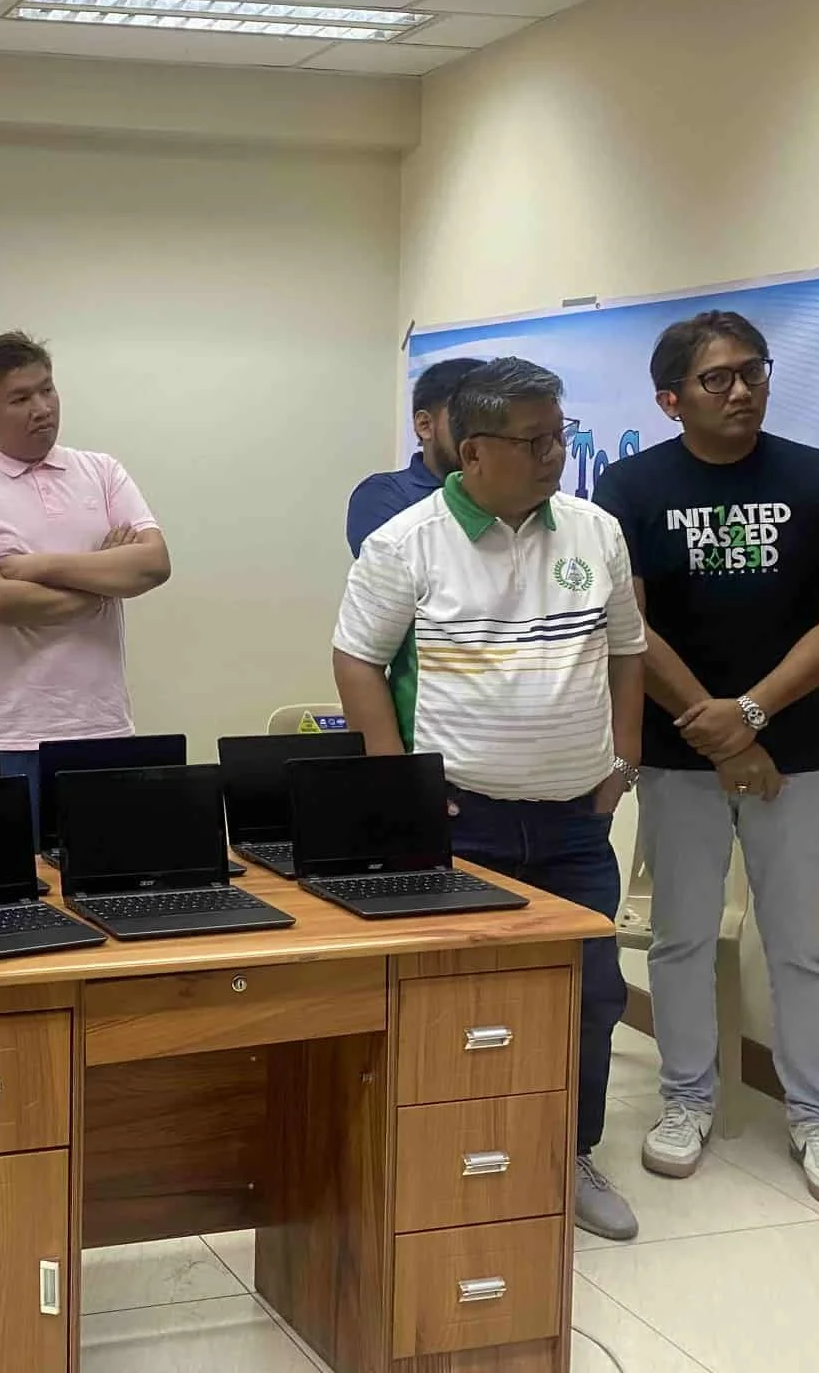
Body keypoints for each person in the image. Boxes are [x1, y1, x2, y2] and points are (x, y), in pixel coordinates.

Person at [332, 357, 647, 1241]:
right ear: (473, 451)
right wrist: (400, 786)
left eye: (561, 435)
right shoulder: (406, 542)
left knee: (589, 995)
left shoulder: (595, 533)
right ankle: (443, 1152)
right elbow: (356, 659)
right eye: (536, 440)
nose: (557, 452)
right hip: (459, 819)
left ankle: (569, 1153)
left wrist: (625, 762)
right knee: (452, 1001)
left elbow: (628, 649)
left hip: (576, 821)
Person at [593, 312, 819, 1210]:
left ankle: (818, 1117)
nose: (743, 390)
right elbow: (629, 626)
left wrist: (749, 717)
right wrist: (714, 728)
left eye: (753, 371)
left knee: (799, 941)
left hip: (792, 749)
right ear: (670, 399)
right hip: (677, 755)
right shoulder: (633, 486)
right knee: (679, 938)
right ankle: (685, 1101)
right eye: (718, 379)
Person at [0, 331, 170, 814]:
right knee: (22, 887)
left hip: (102, 730)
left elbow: (153, 564)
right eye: (21, 398)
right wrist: (98, 584)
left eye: (47, 389)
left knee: (108, 884)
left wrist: (40, 566)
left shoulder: (101, 472)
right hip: (9, 735)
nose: (43, 407)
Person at [345, 355, 484, 557]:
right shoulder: (385, 494)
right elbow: (398, 573)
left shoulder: (512, 493)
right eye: (469, 418)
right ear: (425, 425)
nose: (484, 434)